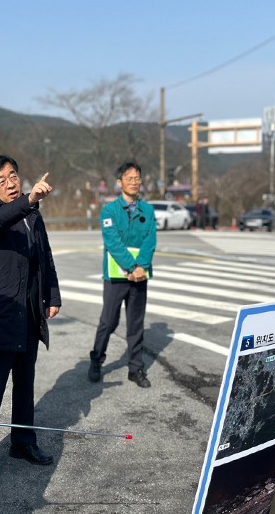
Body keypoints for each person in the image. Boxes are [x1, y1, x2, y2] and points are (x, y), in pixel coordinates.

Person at [0, 154, 61, 487]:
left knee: (24, 384)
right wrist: (29, 199)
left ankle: (22, 442)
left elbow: (44, 256)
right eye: (2, 180)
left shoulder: (32, 215)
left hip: (28, 314)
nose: (11, 183)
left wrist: (53, 295)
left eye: (13, 176)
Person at [88, 162, 157, 388]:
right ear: (119, 183)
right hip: (116, 277)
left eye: (137, 178)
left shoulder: (148, 210)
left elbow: (150, 240)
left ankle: (135, 369)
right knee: (108, 321)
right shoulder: (109, 210)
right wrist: (130, 267)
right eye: (129, 178)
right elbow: (112, 242)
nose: (135, 182)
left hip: (139, 276)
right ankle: (96, 359)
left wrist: (141, 267)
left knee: (136, 324)